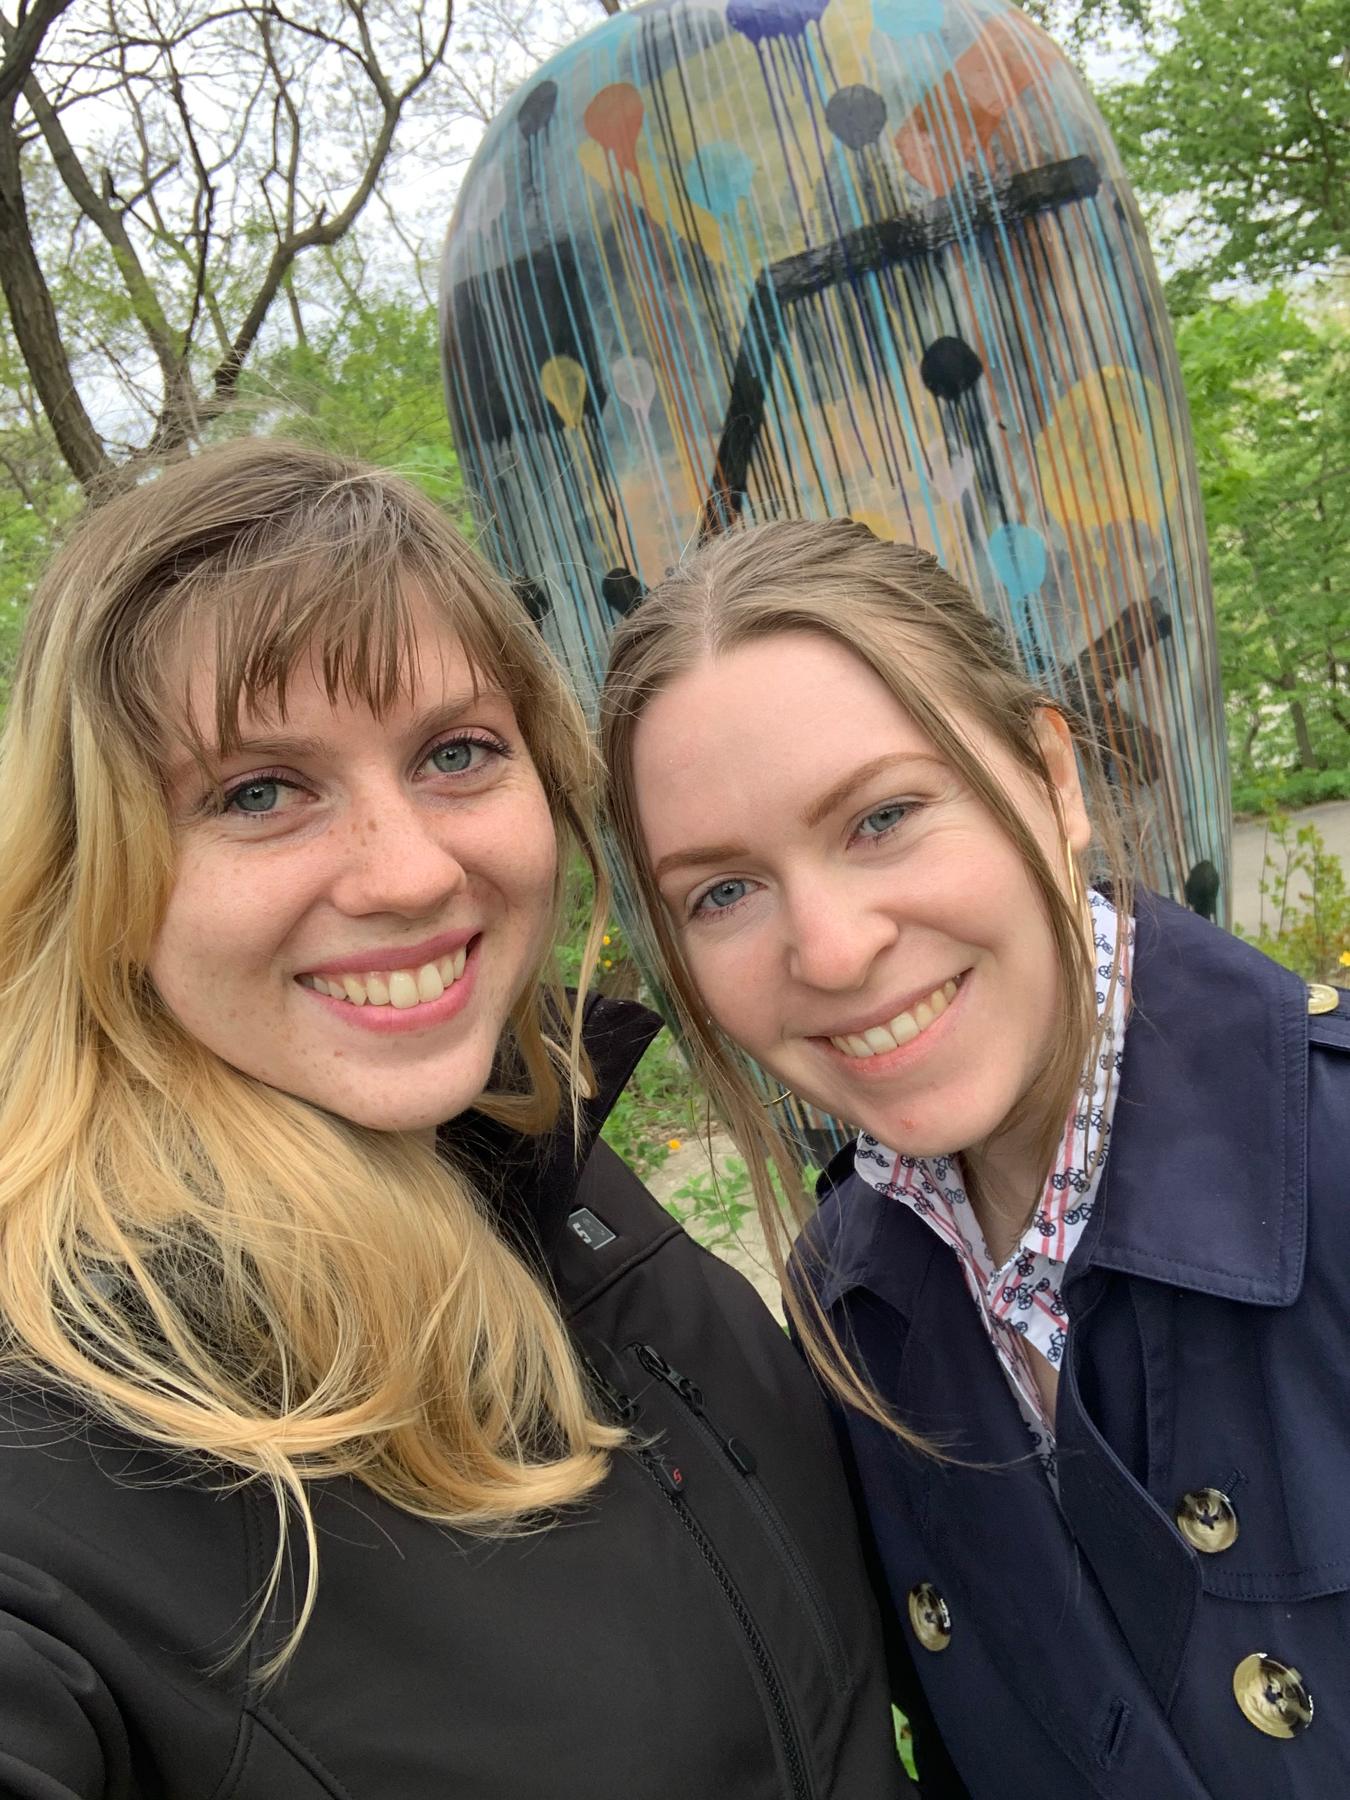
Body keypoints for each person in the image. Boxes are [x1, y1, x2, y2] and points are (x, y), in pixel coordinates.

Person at [0, 445, 911, 1800]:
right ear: (106, 876)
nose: (413, 868)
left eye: (456, 753)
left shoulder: (538, 1166)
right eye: (259, 791)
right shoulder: (63, 1450)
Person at [599, 516, 1350, 1800]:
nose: (830, 952)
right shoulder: (849, 1300)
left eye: (884, 816)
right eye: (723, 892)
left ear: (1052, 780)